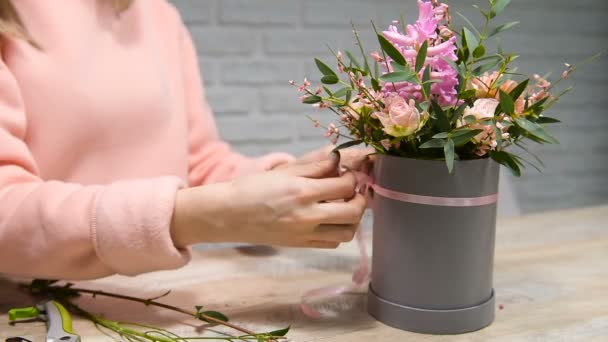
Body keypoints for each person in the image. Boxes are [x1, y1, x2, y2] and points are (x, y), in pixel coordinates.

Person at [0, 0, 369, 280]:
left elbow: (199, 161)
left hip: (161, 298)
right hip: (33, 309)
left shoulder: (157, 15)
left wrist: (301, 179)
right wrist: (203, 216)